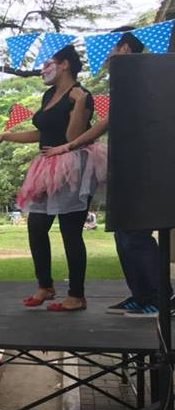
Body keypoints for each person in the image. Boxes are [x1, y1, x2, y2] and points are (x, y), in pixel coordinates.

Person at [41, 29, 168, 317]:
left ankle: (161, 297)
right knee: (123, 234)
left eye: (109, 49)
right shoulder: (124, 79)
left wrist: (69, 146)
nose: (105, 55)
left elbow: (105, 123)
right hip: (126, 165)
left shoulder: (142, 76)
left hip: (145, 168)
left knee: (135, 234)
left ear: (123, 48)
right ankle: (141, 294)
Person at [0, 44, 102, 311]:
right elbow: (43, 133)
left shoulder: (81, 95)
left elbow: (73, 137)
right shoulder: (49, 94)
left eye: (48, 62)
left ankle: (76, 295)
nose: (43, 68)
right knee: (36, 226)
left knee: (71, 232)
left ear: (65, 64)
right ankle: (45, 285)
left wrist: (81, 103)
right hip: (46, 167)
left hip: (72, 166)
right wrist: (4, 136)